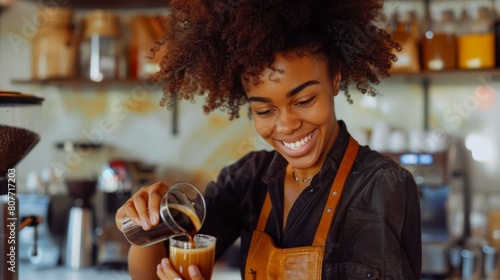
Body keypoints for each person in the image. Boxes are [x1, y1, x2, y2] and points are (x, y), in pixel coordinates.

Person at [115, 0, 422, 279]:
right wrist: (147, 225)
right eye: (264, 109)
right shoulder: (248, 179)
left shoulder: (381, 186)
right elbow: (154, 274)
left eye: (304, 100)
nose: (286, 125)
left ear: (335, 78)